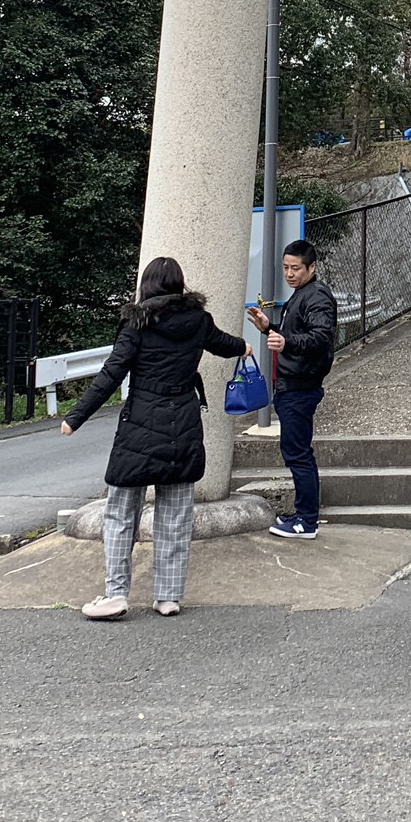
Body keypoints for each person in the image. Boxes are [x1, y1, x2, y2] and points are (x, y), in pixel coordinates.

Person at [60, 255, 251, 619]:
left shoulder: (138, 322)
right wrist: (244, 346)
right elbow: (225, 344)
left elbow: (112, 373)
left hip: (139, 427)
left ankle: (116, 594)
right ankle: (168, 596)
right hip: (183, 424)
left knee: (120, 513)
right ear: (179, 285)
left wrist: (75, 417)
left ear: (146, 285)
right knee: (176, 515)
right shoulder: (198, 320)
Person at [247, 237, 337, 539]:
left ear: (311, 267)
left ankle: (307, 521)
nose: (289, 274)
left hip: (300, 386)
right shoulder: (302, 294)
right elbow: (297, 336)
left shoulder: (317, 296)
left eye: (295, 268)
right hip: (292, 384)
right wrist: (269, 328)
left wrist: (285, 341)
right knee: (296, 452)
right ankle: (303, 514)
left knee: (298, 454)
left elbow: (321, 337)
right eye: (285, 268)